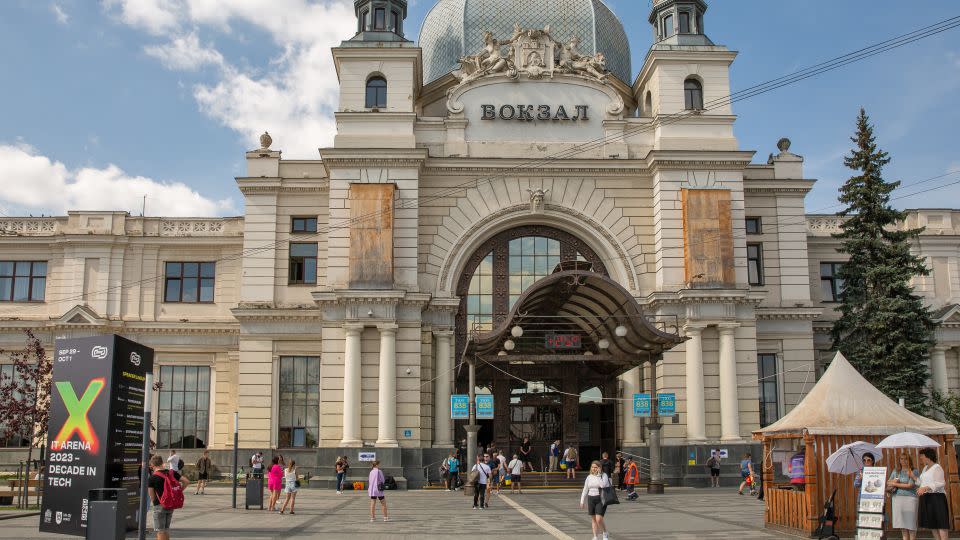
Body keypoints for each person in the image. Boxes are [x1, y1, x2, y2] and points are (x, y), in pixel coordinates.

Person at [148, 454, 189, 540]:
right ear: (162, 463)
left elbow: (152, 496)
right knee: (166, 530)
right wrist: (178, 491)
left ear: (152, 465)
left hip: (160, 505)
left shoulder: (152, 478)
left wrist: (156, 503)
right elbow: (186, 481)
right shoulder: (172, 473)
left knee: (160, 531)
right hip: (171, 504)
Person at [916, 448, 949, 540]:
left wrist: (925, 488)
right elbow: (922, 482)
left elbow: (941, 483)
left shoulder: (937, 467)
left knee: (941, 524)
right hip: (927, 498)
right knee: (933, 525)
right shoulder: (925, 468)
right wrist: (914, 479)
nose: (920, 458)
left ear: (928, 457)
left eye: (922, 456)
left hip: (937, 498)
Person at [887, 452, 919, 540]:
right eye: (901, 459)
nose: (903, 461)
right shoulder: (896, 470)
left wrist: (896, 484)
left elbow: (910, 485)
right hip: (897, 499)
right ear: (899, 460)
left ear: (909, 460)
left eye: (906, 459)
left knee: (911, 524)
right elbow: (888, 482)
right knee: (902, 524)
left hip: (910, 499)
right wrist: (894, 481)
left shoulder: (914, 471)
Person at [580, 460, 613, 540]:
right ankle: (595, 536)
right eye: (592, 467)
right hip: (591, 498)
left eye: (596, 467)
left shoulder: (604, 475)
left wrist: (598, 475)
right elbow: (585, 489)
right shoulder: (589, 477)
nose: (594, 469)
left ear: (600, 468)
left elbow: (602, 485)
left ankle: (605, 532)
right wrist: (582, 500)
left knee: (599, 519)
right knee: (594, 519)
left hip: (601, 498)